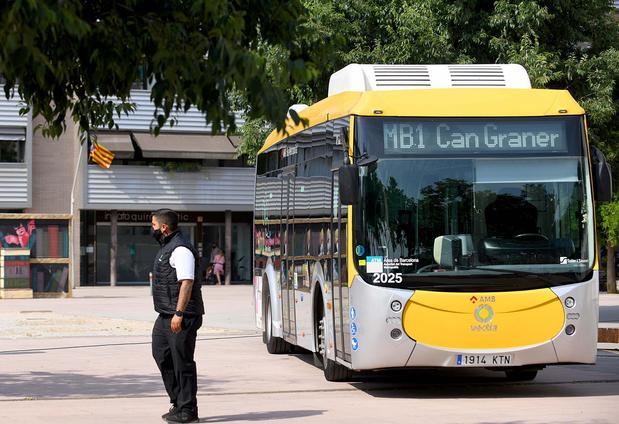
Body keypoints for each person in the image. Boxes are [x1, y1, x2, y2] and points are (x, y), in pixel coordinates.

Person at [150, 209, 204, 423]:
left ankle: (188, 410)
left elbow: (187, 282)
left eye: (153, 225)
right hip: (165, 314)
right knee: (161, 355)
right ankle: (178, 402)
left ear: (164, 227)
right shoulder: (167, 247)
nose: (151, 229)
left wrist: (179, 313)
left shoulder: (180, 249)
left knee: (182, 362)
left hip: (182, 315)